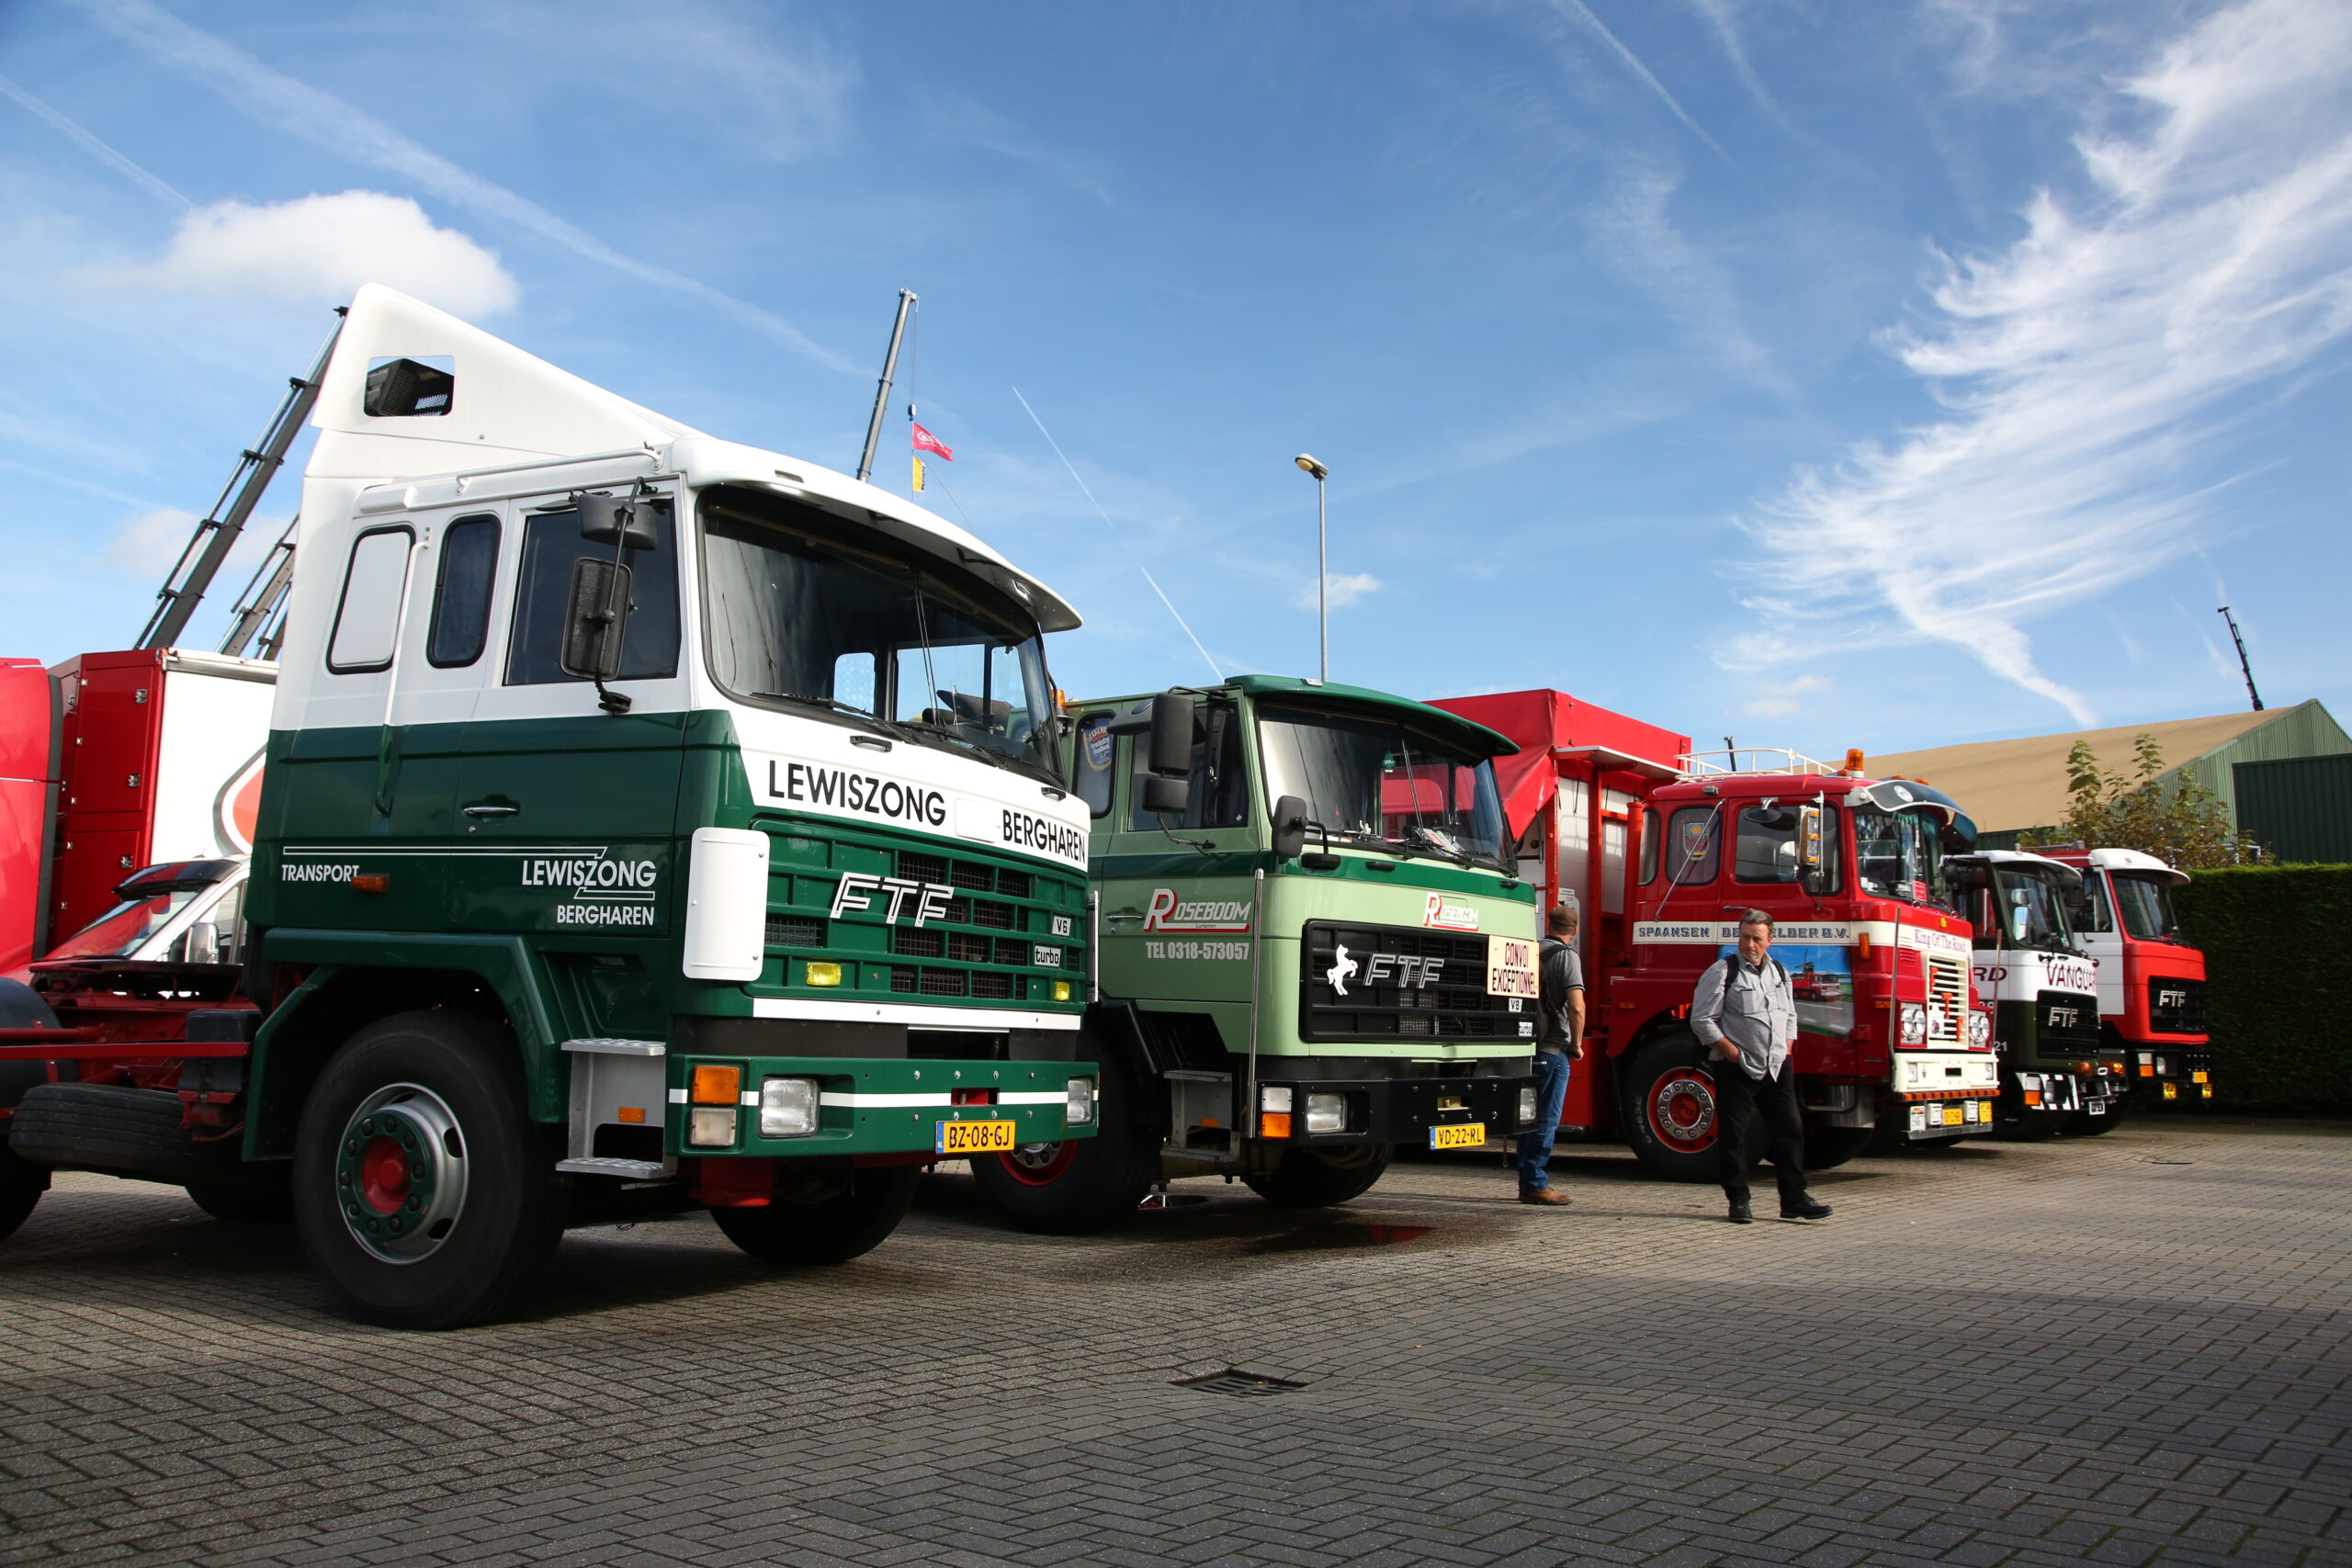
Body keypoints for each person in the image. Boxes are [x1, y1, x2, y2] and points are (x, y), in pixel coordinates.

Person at [1689, 910, 1832, 1224]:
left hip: (1778, 1067)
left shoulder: (1780, 971)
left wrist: (1788, 1047)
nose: (1749, 944)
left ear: (1770, 940)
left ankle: (1794, 1199)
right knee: (1735, 1136)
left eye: (1756, 938)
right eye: (1744, 937)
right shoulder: (1722, 972)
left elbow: (1791, 1015)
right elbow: (1701, 1020)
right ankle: (1738, 1200)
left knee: (1790, 1132)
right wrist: (1731, 1052)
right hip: (1738, 1067)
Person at [1516, 903, 1584, 1206]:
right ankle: (1535, 1183)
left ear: (1549, 924)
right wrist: (1578, 1044)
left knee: (1528, 1117)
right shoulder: (1567, 957)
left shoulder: (1529, 951)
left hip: (1525, 1045)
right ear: (1575, 930)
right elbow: (1577, 1006)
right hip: (1553, 1048)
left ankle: (1527, 1180)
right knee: (1546, 1119)